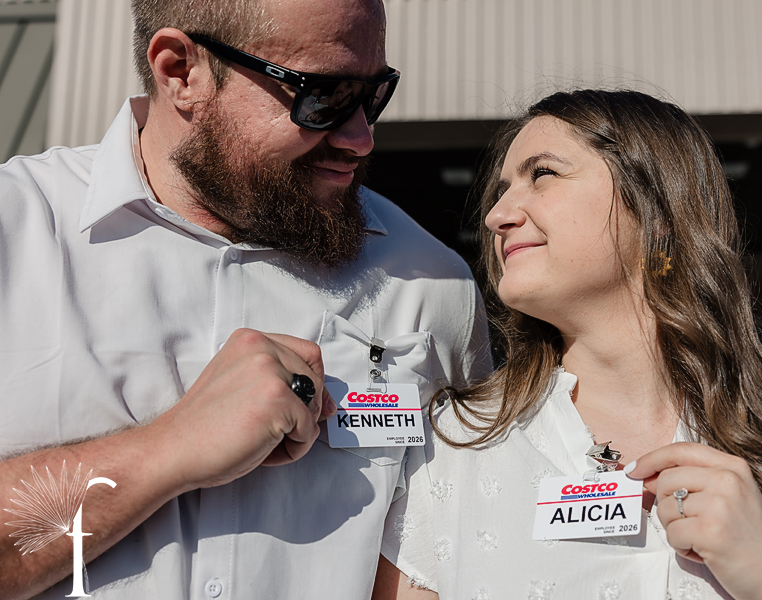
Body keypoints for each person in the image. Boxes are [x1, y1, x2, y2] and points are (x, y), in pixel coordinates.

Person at [0, 1, 490, 598]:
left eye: (374, 94)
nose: (361, 138)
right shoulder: (16, 231)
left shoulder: (430, 282)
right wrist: (167, 450)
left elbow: (459, 550)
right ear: (181, 71)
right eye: (325, 95)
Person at [375, 90, 762, 600]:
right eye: (501, 189)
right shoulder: (447, 453)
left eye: (543, 174)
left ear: (657, 211)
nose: (497, 215)